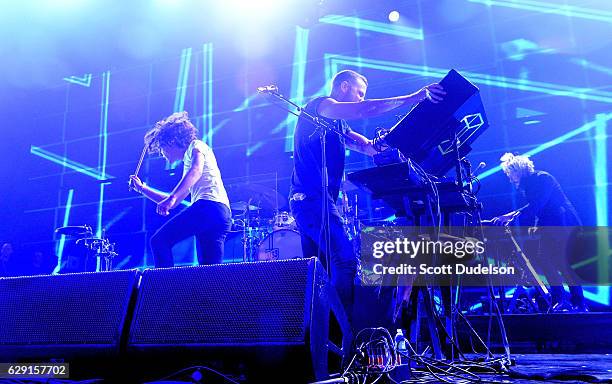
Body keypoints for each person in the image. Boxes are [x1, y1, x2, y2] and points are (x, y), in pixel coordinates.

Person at [289, 69, 445, 319]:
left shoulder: (337, 125)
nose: (361, 98)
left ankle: (318, 340)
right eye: (359, 93)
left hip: (312, 202)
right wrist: (412, 98)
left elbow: (369, 147)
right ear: (344, 87)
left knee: (321, 272)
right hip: (312, 199)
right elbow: (364, 110)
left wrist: (399, 145)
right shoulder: (322, 106)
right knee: (346, 262)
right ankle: (342, 336)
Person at [129, 111, 232, 267]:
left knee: (160, 241)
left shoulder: (196, 146)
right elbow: (176, 199)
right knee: (210, 272)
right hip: (220, 214)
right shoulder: (189, 162)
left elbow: (196, 171)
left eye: (162, 148)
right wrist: (143, 189)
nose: (162, 154)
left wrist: (171, 199)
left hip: (208, 208)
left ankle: (166, 288)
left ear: (171, 141)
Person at [492, 153, 586, 311]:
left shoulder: (542, 178)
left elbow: (537, 205)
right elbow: (535, 207)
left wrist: (512, 215)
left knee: (561, 263)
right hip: (552, 226)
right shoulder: (531, 184)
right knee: (548, 259)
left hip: (562, 225)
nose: (510, 178)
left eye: (511, 173)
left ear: (519, 169)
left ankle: (576, 302)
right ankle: (564, 299)